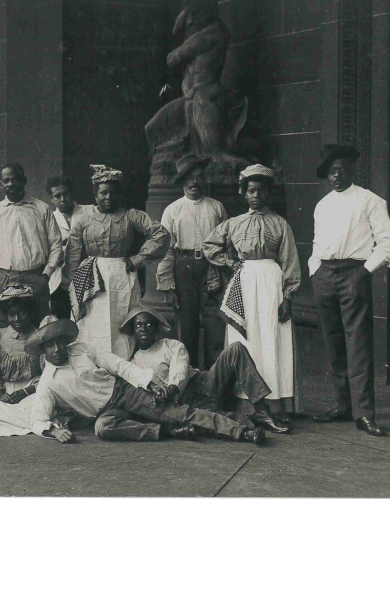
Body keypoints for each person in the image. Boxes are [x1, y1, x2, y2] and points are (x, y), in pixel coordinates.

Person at [26, 316, 266, 444]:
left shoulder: (82, 349)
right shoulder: (48, 382)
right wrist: (53, 432)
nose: (57, 348)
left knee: (181, 413)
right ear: (42, 350)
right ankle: (167, 433)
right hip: (105, 413)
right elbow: (37, 418)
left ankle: (242, 432)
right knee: (103, 429)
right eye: (50, 345)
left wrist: (148, 382)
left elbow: (118, 365)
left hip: (125, 392)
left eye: (59, 341)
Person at [309, 145, 390, 436]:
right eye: (331, 170)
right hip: (325, 275)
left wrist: (364, 272)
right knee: (334, 343)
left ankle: (363, 413)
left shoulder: (370, 201)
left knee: (357, 344)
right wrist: (315, 269)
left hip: (354, 274)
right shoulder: (322, 205)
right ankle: (342, 404)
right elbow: (317, 244)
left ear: (352, 168)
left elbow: (387, 244)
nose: (336, 175)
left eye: (341, 169)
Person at [203, 165, 301, 424]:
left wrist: (287, 297)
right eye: (251, 191)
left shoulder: (280, 224)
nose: (256, 196)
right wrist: (228, 261)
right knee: (246, 339)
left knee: (271, 338)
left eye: (261, 191)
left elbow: (290, 260)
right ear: (244, 194)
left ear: (269, 193)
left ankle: (275, 403)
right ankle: (247, 404)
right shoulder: (234, 223)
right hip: (245, 281)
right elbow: (209, 245)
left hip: (271, 282)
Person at [121, 306, 288, 434]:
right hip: (189, 404)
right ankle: (248, 422)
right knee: (212, 421)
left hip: (204, 384)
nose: (144, 328)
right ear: (134, 331)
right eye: (139, 325)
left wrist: (172, 388)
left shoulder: (170, 345)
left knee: (235, 349)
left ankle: (262, 411)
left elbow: (180, 367)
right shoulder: (134, 363)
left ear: (156, 328)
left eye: (149, 324)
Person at [64, 164, 169, 358]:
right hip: (91, 277)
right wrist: (71, 281)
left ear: (119, 194)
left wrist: (138, 259)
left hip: (123, 275)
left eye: (113, 193)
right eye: (103, 193)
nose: (108, 197)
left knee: (121, 320)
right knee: (92, 321)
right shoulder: (83, 219)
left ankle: (122, 363)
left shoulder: (131, 216)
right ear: (96, 195)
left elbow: (160, 234)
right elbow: (72, 253)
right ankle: (91, 362)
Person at [156, 154, 227, 368]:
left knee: (215, 325)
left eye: (198, 177)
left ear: (204, 179)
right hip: (183, 267)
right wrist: (167, 285)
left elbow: (226, 243)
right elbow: (166, 249)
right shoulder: (173, 210)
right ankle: (188, 378)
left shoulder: (217, 207)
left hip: (211, 267)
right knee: (186, 328)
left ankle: (214, 379)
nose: (194, 182)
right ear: (182, 181)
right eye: (189, 177)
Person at [0, 163, 61, 328]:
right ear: (1, 184)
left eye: (15, 179)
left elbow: (56, 244)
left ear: (24, 180)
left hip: (36, 277)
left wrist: (46, 275)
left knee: (40, 328)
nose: (10, 184)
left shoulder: (42, 209)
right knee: (6, 330)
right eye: (6, 180)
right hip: (6, 279)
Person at [0, 285, 43, 437]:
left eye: (22, 313)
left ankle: (33, 421)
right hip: (7, 389)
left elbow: (46, 374)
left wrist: (25, 392)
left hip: (32, 388)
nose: (17, 319)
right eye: (12, 314)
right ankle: (31, 423)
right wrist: (0, 393)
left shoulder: (39, 336)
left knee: (37, 407)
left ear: (30, 312)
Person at [45, 175, 86, 319]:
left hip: (85, 275)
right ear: (51, 198)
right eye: (57, 196)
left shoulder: (87, 212)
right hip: (59, 280)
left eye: (65, 194)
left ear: (71, 193)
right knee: (62, 319)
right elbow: (46, 250)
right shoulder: (49, 219)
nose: (62, 199)